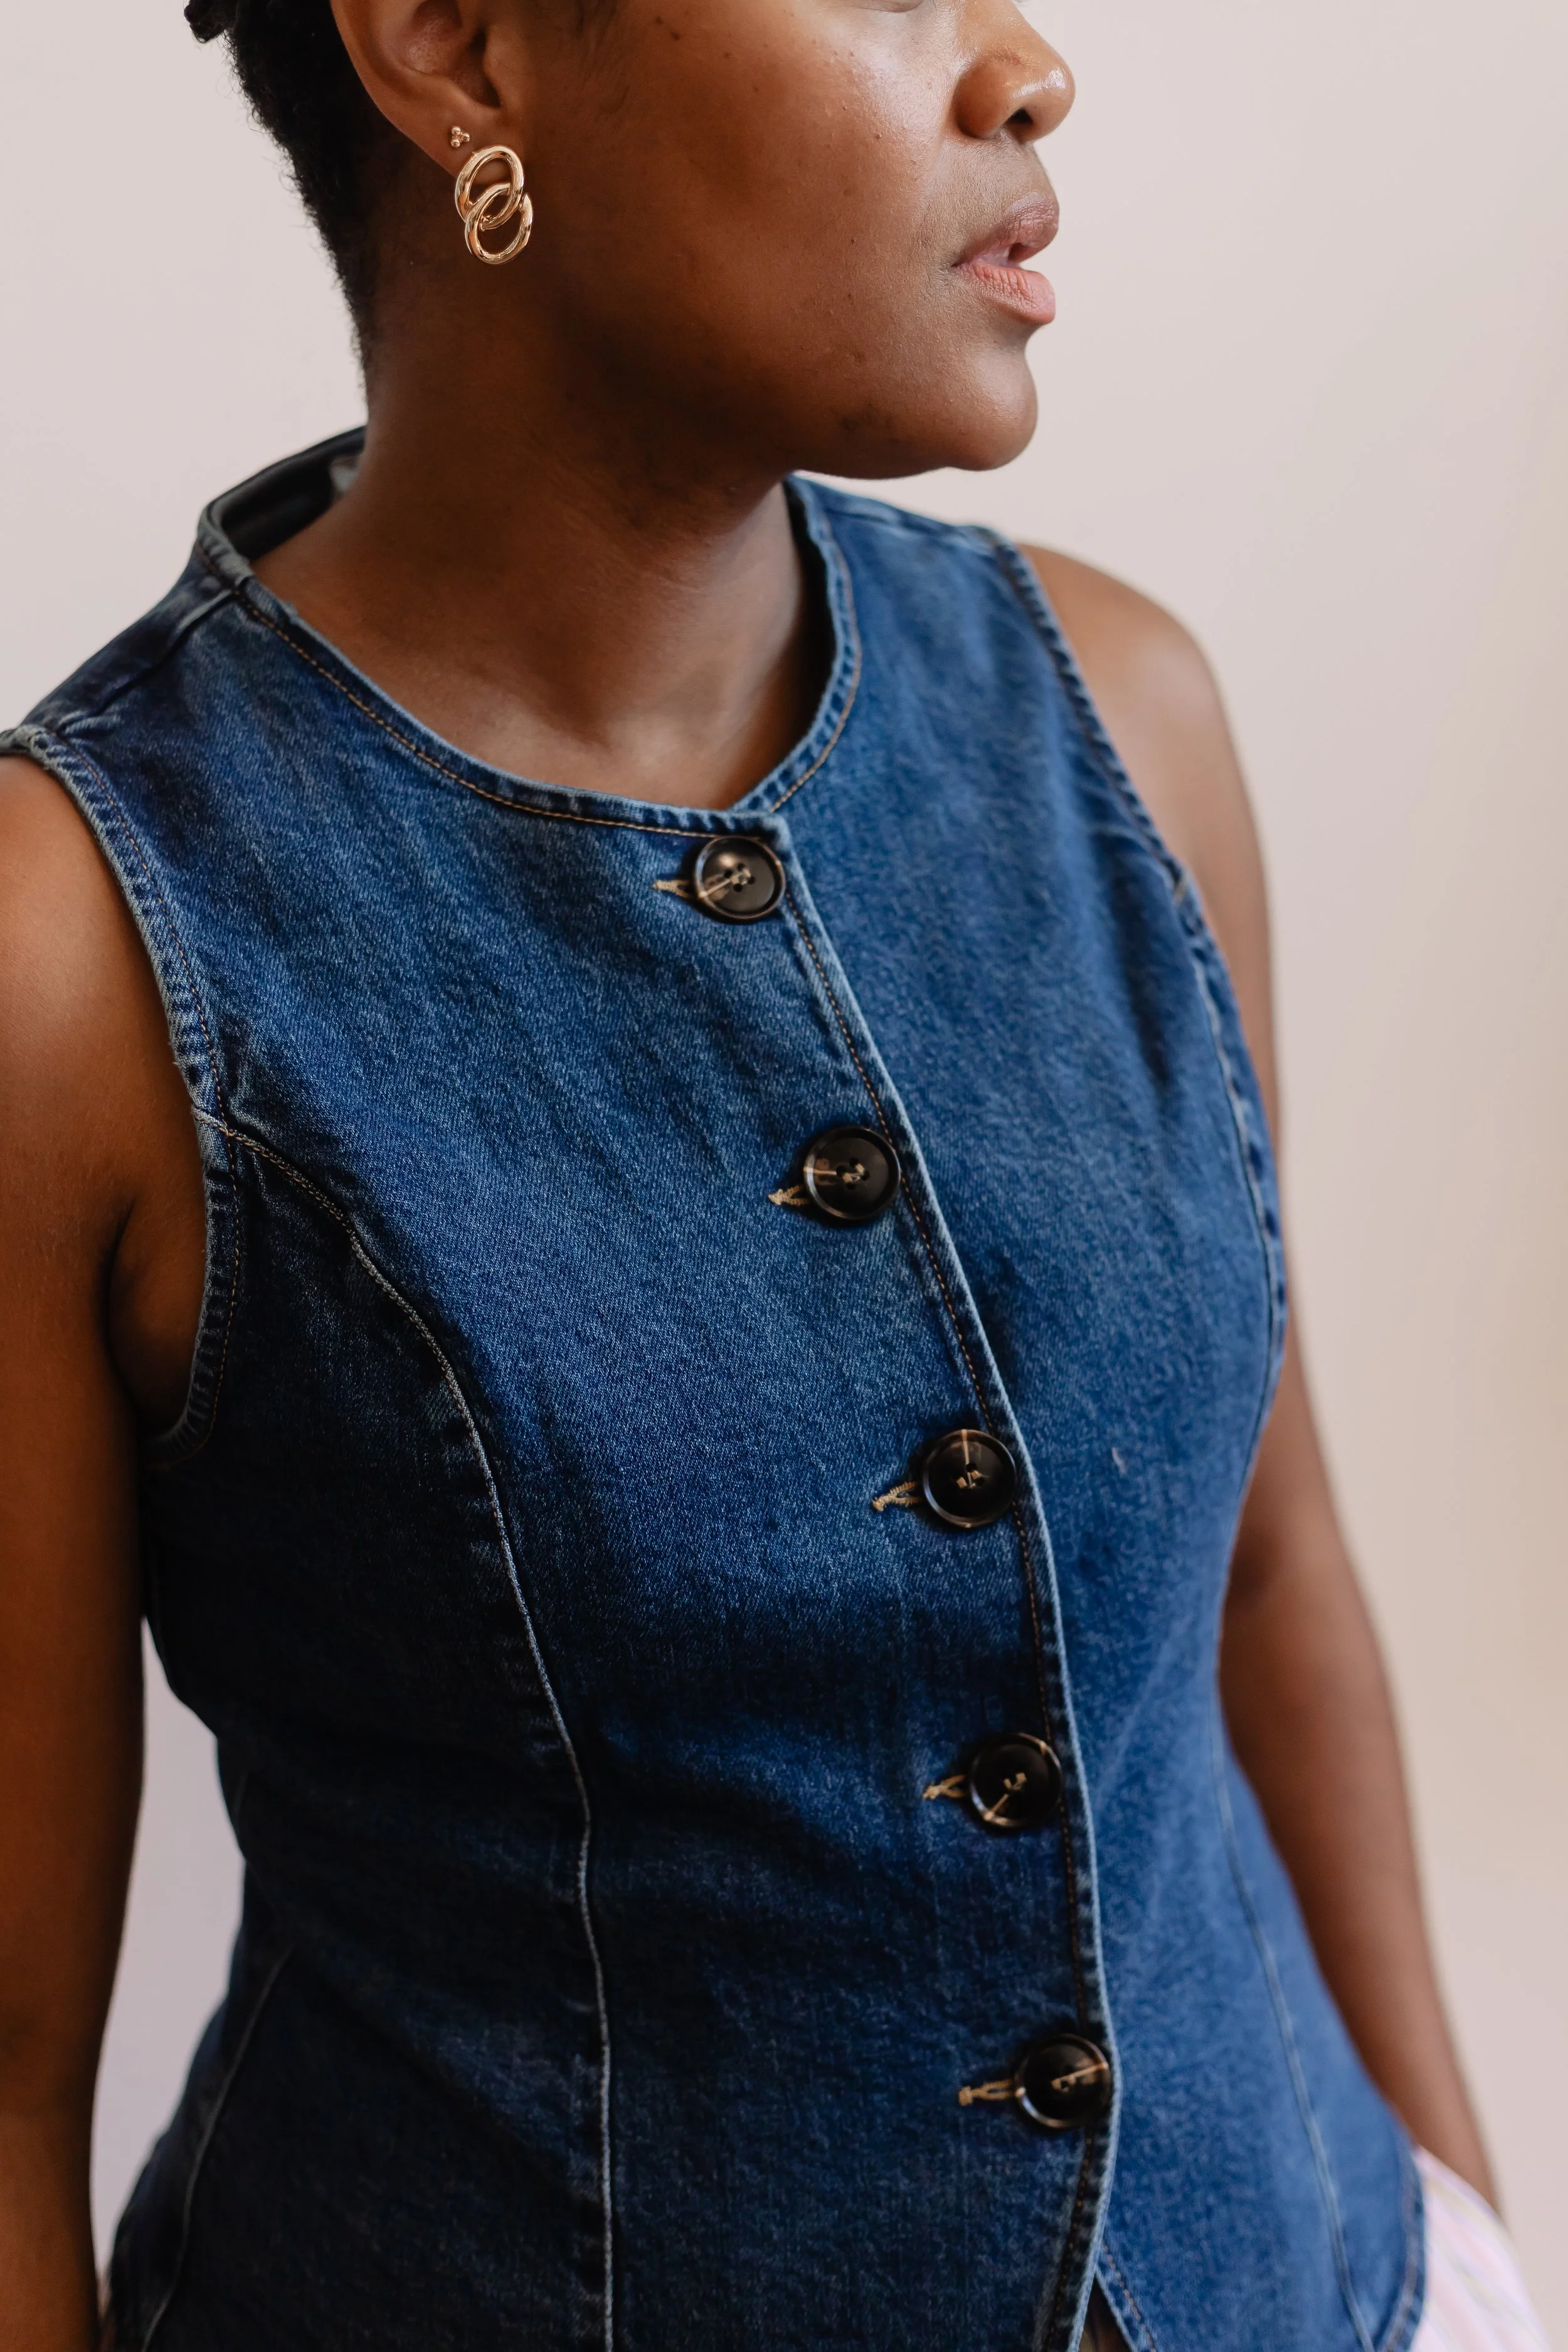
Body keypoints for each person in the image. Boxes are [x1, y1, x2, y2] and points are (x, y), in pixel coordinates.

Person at [0, 0, 1550, 2347]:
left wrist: (1465, 2242)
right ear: (454, 51)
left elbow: (1266, 1581)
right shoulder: (77, 949)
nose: (1027, 68)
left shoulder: (1128, 728)